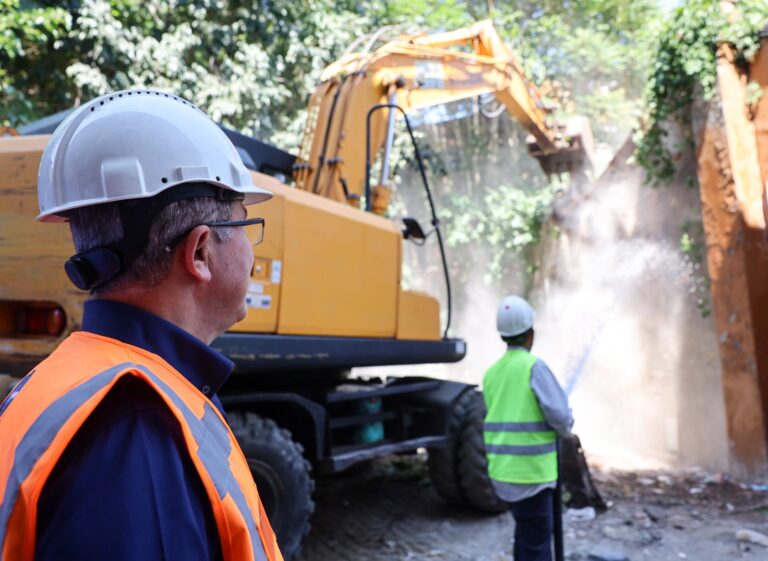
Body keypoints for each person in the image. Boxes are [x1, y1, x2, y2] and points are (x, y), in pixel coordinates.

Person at [0, 90, 283, 561]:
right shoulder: (138, 430)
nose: (255, 253)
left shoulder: (72, 378)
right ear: (199, 253)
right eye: (246, 225)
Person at [482, 294, 573, 561]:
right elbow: (559, 415)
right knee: (537, 545)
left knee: (526, 534)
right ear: (530, 333)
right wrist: (567, 426)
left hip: (503, 473)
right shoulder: (535, 368)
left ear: (503, 336)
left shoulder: (491, 373)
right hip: (531, 476)